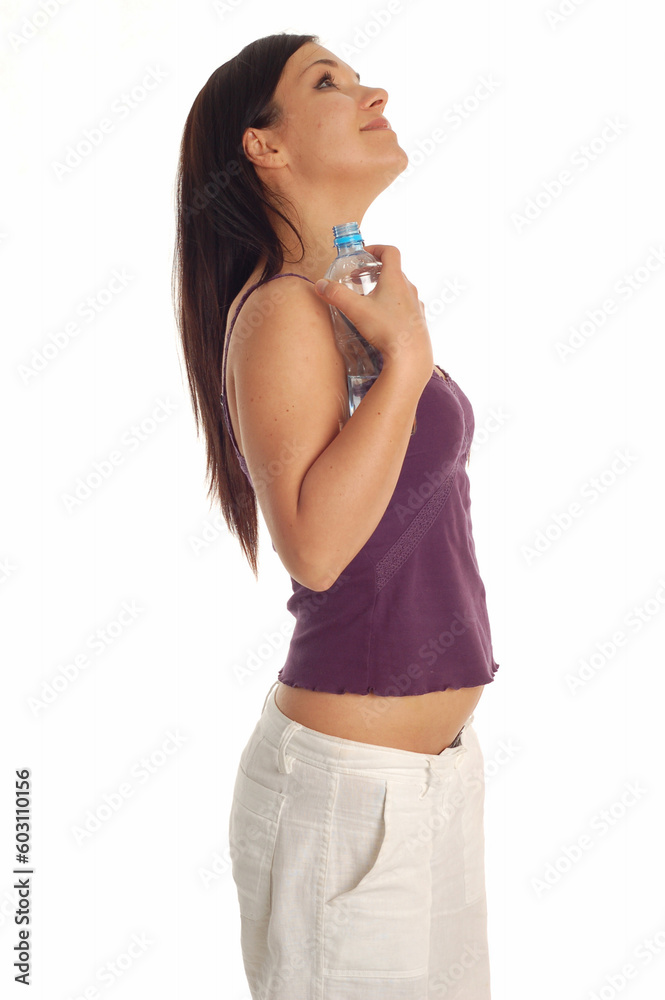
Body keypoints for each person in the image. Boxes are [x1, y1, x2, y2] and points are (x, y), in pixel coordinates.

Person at [173, 31, 500, 1000]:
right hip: (349, 803)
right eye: (328, 82)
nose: (370, 90)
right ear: (262, 146)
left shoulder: (347, 300)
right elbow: (314, 548)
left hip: (430, 784)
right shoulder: (279, 310)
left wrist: (394, 343)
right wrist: (404, 360)